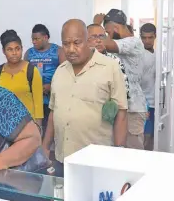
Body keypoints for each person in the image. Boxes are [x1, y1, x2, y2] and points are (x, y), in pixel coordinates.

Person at [42, 19, 128, 175]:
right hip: (63, 158)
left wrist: (119, 153)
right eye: (66, 44)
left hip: (97, 160)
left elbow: (121, 113)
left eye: (77, 43)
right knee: (65, 198)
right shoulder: (60, 71)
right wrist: (45, 147)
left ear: (88, 41)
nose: (71, 49)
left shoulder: (110, 68)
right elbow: (53, 113)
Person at [93, 10, 153, 150]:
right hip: (117, 106)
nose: (105, 36)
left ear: (115, 28)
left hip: (132, 109)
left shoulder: (134, 42)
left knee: (133, 154)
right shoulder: (118, 42)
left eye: (107, 32)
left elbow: (102, 43)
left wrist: (96, 24)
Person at [0, 30, 44, 125]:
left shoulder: (31, 70)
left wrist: (38, 127)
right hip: (6, 125)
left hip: (28, 125)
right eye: (10, 49)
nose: (14, 53)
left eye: (17, 49)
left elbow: (38, 103)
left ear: (21, 49)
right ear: (3, 51)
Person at [24, 24, 66, 132]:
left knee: (51, 130)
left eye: (37, 39)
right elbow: (23, 74)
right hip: (33, 100)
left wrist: (51, 86)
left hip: (53, 100)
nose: (34, 42)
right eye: (32, 39)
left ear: (46, 37)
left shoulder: (58, 51)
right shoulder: (29, 53)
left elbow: (66, 74)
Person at [86, 23, 131, 99]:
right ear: (85, 39)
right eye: (93, 37)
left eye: (102, 36)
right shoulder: (81, 61)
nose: (98, 40)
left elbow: (124, 91)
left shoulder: (114, 61)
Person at [140, 23, 157, 150]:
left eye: (150, 37)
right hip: (144, 104)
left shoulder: (157, 55)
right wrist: (141, 105)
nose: (147, 41)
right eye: (144, 38)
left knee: (153, 137)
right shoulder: (139, 55)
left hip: (156, 104)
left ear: (155, 37)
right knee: (144, 138)